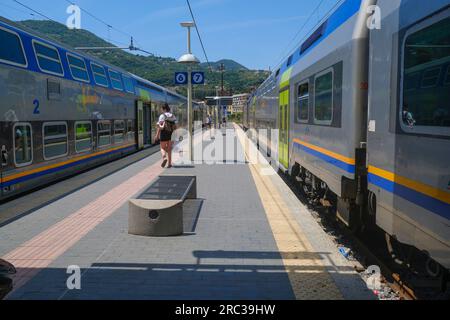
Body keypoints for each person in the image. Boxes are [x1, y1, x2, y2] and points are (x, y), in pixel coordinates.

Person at [155, 104, 177, 168]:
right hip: (171, 134)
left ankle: (164, 158)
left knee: (162, 148)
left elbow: (159, 127)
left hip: (164, 133)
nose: (161, 110)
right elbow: (175, 126)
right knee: (169, 149)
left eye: (161, 109)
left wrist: (157, 135)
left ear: (164, 109)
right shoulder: (172, 115)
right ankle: (169, 164)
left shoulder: (162, 116)